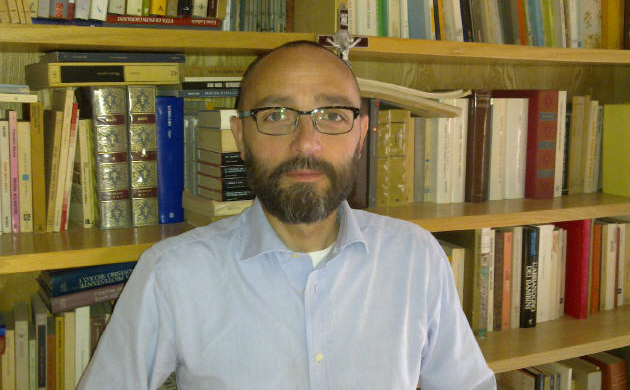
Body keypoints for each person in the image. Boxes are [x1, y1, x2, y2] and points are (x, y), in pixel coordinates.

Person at [78, 41, 496, 389]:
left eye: (333, 115)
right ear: (241, 138)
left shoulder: (415, 257)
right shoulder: (172, 274)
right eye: (276, 115)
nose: (307, 143)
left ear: (361, 136)